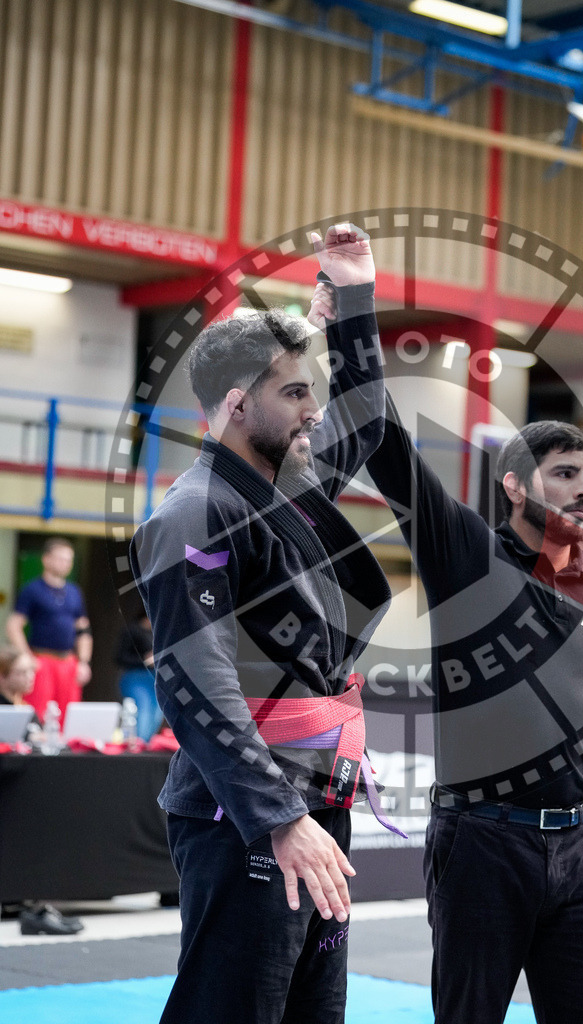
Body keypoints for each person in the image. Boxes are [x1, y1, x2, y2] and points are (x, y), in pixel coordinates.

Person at [309, 280, 583, 1024]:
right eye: (565, 474)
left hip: (580, 848)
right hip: (482, 848)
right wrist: (352, 302)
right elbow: (383, 440)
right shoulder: (468, 559)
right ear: (513, 485)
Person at [130, 225, 393, 1024]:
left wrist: (352, 299)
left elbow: (368, 423)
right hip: (244, 814)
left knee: (312, 1013)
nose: (313, 410)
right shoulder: (193, 515)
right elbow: (196, 681)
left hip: (314, 798)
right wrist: (279, 817)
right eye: (293, 393)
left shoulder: (287, 486)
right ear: (238, 405)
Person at [0, 644, 84, 936]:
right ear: (3, 676)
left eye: (30, 671)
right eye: (21, 672)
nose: (29, 678)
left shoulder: (27, 709)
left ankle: (36, 903)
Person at [6, 537, 92, 723]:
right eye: (60, 558)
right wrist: (26, 656)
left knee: (68, 716)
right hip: (42, 661)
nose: (65, 563)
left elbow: (83, 630)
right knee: (39, 713)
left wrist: (83, 661)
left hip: (68, 662)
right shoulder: (32, 590)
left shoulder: (74, 592)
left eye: (69, 559)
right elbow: (14, 625)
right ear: (46, 559)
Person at [115, 610, 162, 742]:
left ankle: (145, 744)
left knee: (157, 714)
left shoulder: (159, 632)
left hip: (155, 679)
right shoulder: (133, 630)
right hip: (135, 677)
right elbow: (119, 657)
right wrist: (145, 660)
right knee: (142, 711)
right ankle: (136, 745)